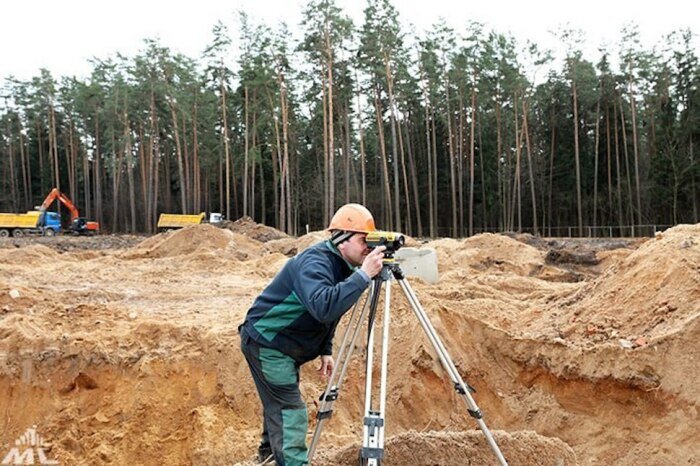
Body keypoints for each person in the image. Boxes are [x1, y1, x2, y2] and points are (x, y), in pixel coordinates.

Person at [238, 203, 386, 465]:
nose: (369, 247)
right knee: (290, 410)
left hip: (285, 342)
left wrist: (326, 348)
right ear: (341, 240)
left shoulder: (343, 265)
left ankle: (269, 455)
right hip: (268, 342)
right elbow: (323, 305)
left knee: (279, 403)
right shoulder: (314, 263)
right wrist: (364, 275)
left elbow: (332, 310)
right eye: (364, 240)